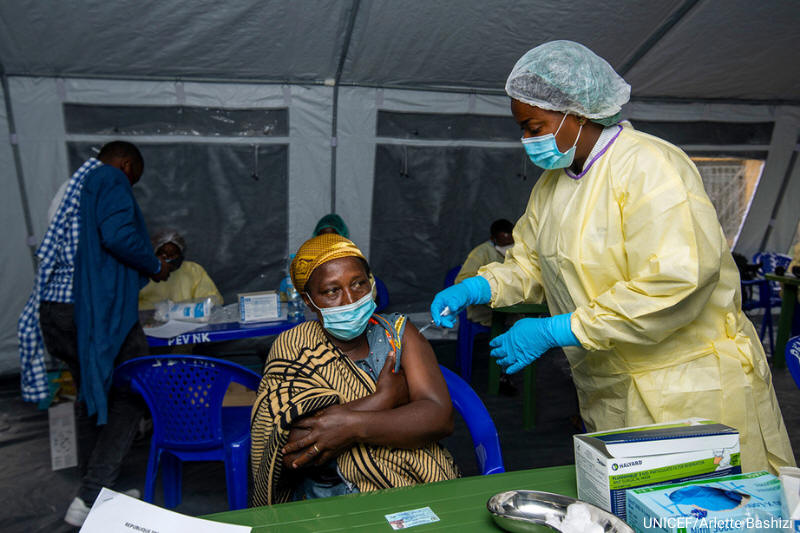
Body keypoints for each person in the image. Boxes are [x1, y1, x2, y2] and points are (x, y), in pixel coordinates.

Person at [430, 40, 794, 474]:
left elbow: (677, 281)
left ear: (578, 113)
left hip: (685, 383)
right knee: (632, 503)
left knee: (709, 501)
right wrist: (477, 287)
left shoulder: (650, 166)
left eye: (534, 126)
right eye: (522, 129)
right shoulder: (552, 186)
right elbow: (531, 264)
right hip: (608, 387)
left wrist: (561, 328)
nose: (527, 140)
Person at [17, 141, 170, 526]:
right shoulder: (109, 178)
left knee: (94, 395)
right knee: (133, 390)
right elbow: (117, 236)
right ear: (126, 164)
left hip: (57, 310)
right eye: (133, 178)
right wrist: (154, 264)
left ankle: (99, 494)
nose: (130, 186)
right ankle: (90, 495)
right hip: (91, 310)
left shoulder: (72, 188)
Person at [250, 233, 458, 505]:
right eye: (332, 291)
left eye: (359, 283)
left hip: (413, 482)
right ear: (308, 300)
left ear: (372, 282)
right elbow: (294, 452)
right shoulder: (295, 347)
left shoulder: (398, 334)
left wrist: (352, 426)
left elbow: (439, 418)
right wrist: (383, 400)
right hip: (330, 499)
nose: (350, 299)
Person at [138, 228, 222, 310]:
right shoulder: (141, 273)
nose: (168, 260)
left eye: (173, 254)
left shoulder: (193, 271)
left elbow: (212, 301)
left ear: (181, 254)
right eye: (162, 254)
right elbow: (131, 305)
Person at [455, 219, 515, 327]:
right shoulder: (481, 253)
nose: (508, 247)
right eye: (503, 244)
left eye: (511, 243)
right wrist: (483, 286)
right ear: (493, 239)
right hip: (485, 310)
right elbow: (463, 279)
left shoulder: (518, 251)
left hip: (512, 305)